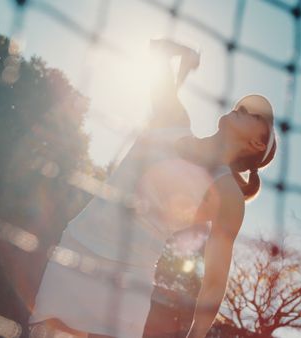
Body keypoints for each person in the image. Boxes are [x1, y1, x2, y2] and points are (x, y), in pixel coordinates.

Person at [27, 38, 277, 338]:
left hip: (125, 285)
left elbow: (213, 283)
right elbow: (157, 60)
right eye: (243, 105)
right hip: (73, 254)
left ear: (258, 143)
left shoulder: (228, 195)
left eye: (256, 115)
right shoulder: (173, 119)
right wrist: (174, 51)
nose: (243, 108)